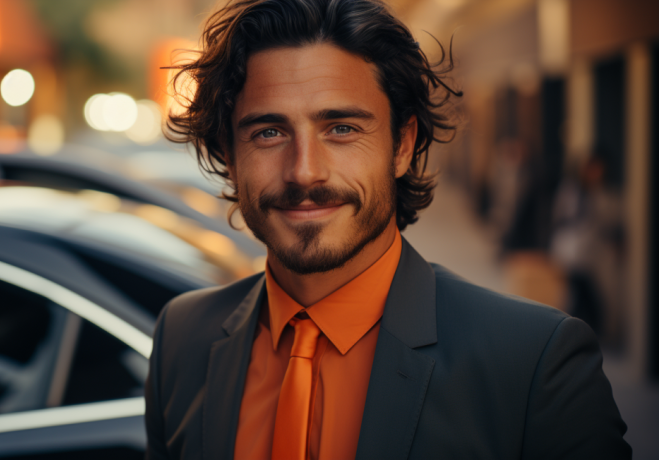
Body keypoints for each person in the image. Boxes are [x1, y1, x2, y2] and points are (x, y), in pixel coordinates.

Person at [145, 0, 631, 459]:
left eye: (341, 129)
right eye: (268, 132)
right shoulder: (181, 338)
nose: (304, 172)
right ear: (229, 156)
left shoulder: (534, 363)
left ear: (402, 145)